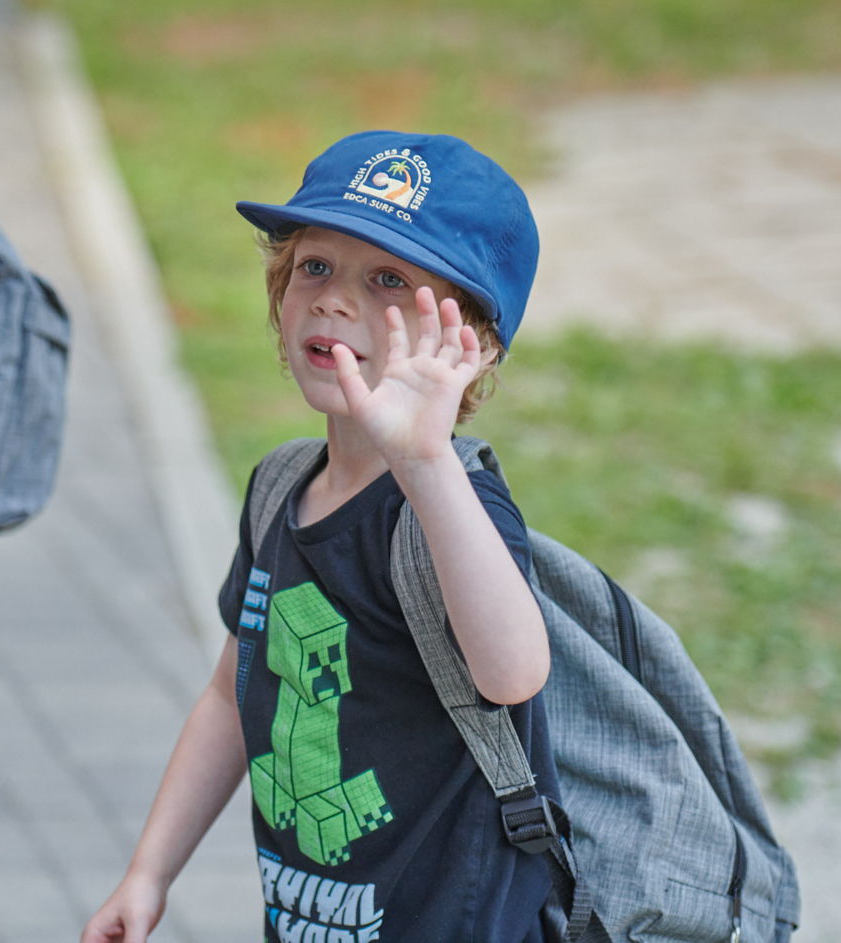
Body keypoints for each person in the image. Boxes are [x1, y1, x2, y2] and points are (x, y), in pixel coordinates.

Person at [81, 130, 557, 943]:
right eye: (314, 267)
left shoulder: (451, 505)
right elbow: (227, 697)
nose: (333, 299)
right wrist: (149, 872)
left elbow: (513, 672)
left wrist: (425, 462)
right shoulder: (281, 487)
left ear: (468, 346)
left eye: (387, 279)